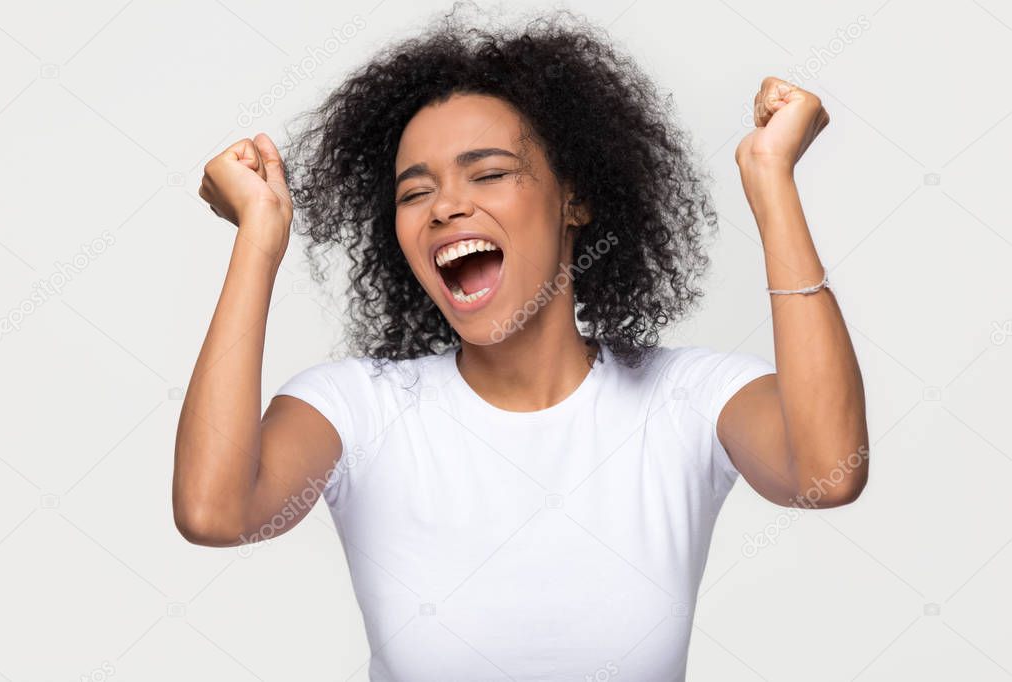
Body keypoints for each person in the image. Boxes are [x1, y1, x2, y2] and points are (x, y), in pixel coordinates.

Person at [175, 5, 868, 680]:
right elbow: (215, 511)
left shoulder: (685, 399)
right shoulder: (357, 408)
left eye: (488, 173)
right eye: (415, 192)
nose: (445, 206)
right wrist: (258, 239)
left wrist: (771, 181)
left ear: (575, 199)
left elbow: (825, 472)